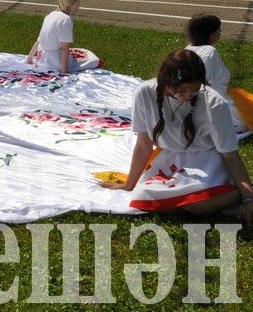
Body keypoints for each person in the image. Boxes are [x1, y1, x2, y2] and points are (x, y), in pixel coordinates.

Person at [100, 50, 253, 225]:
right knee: (144, 197)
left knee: (196, 205)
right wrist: (129, 184)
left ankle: (243, 192)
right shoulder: (144, 94)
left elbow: (230, 156)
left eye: (194, 90)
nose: (188, 96)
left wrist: (248, 198)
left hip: (208, 160)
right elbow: (144, 145)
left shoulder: (215, 103)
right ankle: (222, 199)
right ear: (164, 81)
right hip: (170, 158)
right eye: (181, 91)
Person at [26, 0, 101, 74]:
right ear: (69, 6)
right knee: (93, 59)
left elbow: (39, 41)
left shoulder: (50, 15)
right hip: (54, 62)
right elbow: (64, 49)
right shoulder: (66, 19)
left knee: (79, 52)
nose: (78, 6)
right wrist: (64, 72)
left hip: (41, 59)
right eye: (77, 3)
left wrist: (29, 59)